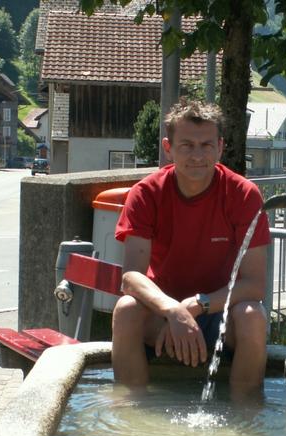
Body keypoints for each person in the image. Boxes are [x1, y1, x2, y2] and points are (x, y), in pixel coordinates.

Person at [112, 99, 271, 397]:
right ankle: (129, 410)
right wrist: (173, 310)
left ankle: (247, 413)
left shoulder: (243, 194)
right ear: (168, 148)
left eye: (206, 145)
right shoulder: (145, 193)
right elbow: (131, 277)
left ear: (220, 147)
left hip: (220, 313)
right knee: (126, 311)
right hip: (162, 312)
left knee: (253, 315)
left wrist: (197, 305)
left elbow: (254, 284)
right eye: (186, 145)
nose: (197, 155)